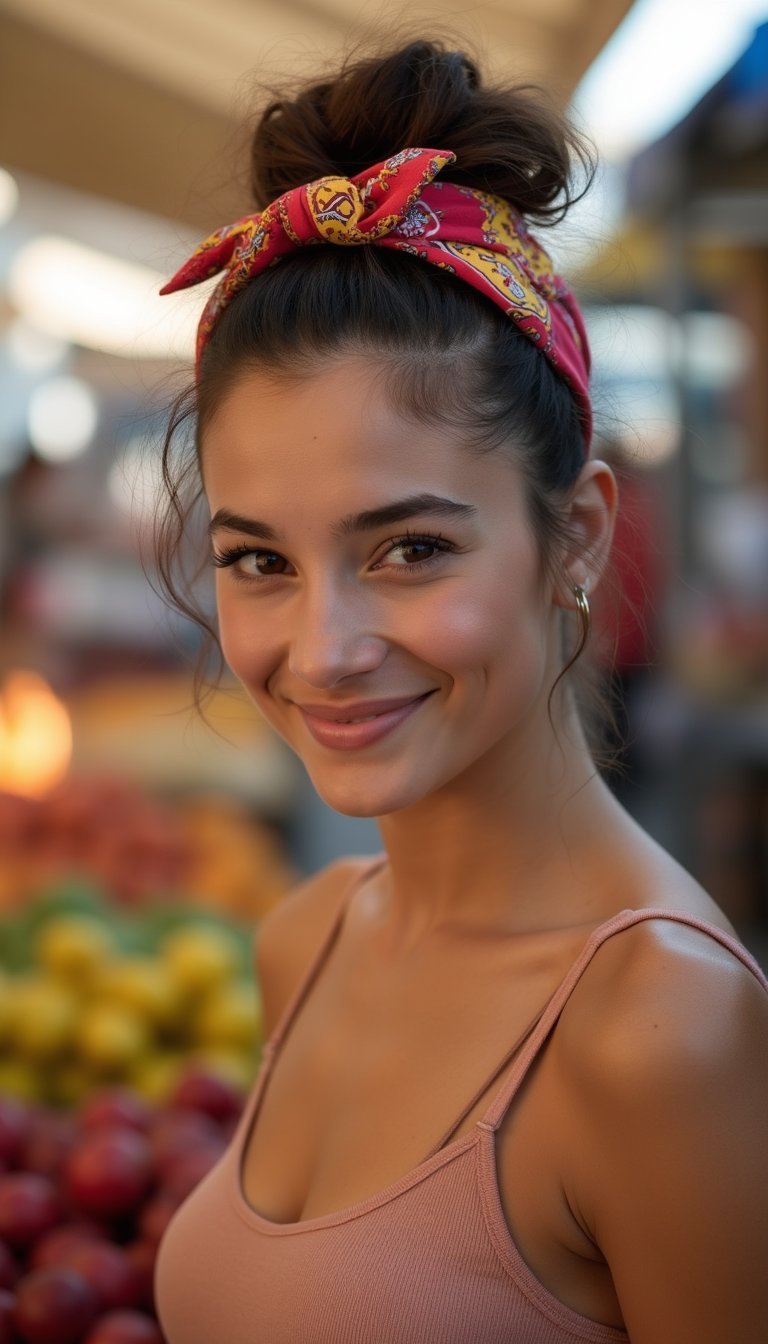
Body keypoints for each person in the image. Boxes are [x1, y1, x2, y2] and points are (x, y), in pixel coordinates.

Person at [152, 39, 768, 1343]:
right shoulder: (303, 939)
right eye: (259, 559)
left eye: (410, 549)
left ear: (580, 538)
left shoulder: (664, 1031)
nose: (323, 649)